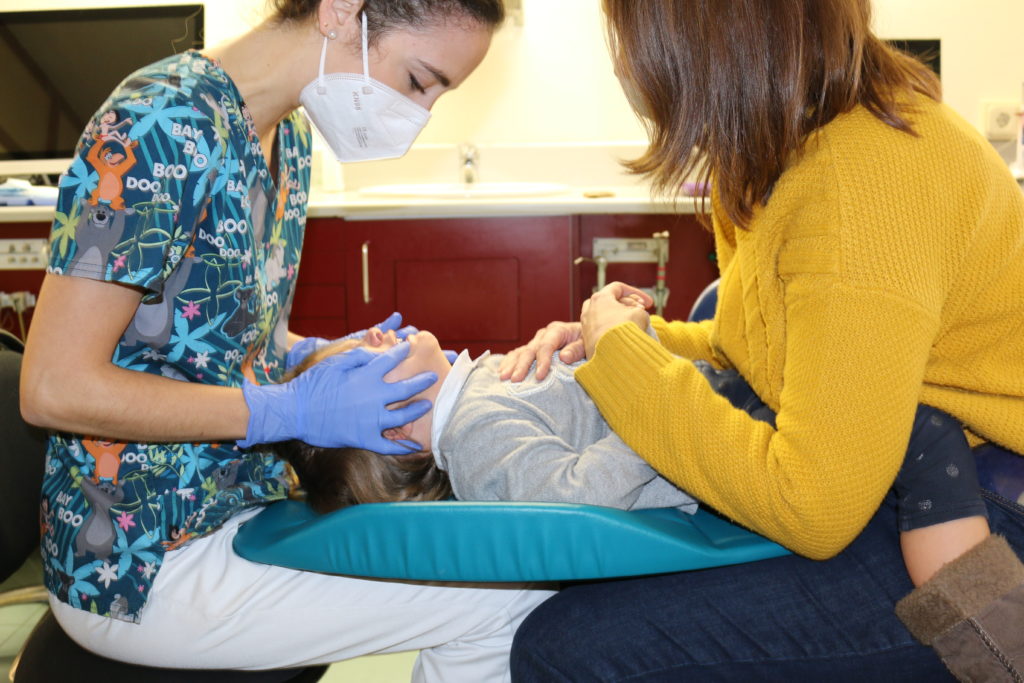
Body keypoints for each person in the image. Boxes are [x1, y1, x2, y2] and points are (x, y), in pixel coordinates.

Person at [20, 1, 557, 680]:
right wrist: (287, 410)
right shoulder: (159, 125)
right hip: (138, 558)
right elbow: (53, 386)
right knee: (509, 599)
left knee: (503, 557)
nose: (422, 111)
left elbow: (233, 339)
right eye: (421, 80)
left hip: (243, 504)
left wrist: (326, 357)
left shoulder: (287, 139)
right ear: (341, 12)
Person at [499, 0, 1024, 680]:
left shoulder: (859, 179)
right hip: (896, 460)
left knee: (564, 647)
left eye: (628, 36)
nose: (626, 62)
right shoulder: (772, 153)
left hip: (982, 517)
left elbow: (813, 507)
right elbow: (763, 343)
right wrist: (635, 341)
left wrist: (631, 366)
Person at [272, 324, 699, 514]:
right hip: (711, 434)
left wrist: (606, 334)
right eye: (359, 360)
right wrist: (656, 397)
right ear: (395, 429)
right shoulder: (476, 436)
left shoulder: (475, 390)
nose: (370, 334)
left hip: (705, 392)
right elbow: (584, 494)